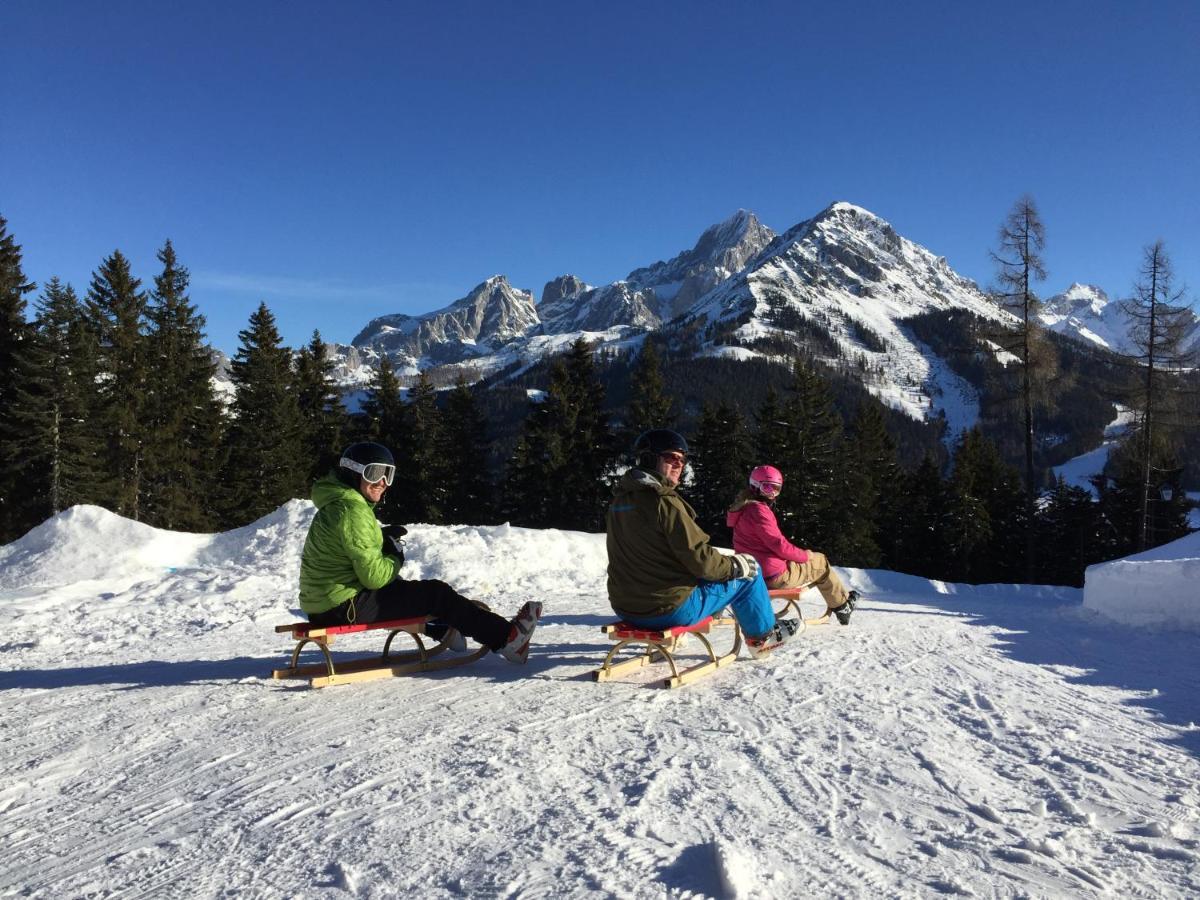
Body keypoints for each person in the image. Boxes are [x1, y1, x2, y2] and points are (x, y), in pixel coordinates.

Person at [298, 442, 541, 663]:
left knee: (406, 591)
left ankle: (439, 628)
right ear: (353, 472)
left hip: (322, 606)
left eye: (388, 474)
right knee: (436, 594)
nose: (382, 482)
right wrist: (395, 556)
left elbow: (348, 549)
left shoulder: (336, 504)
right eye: (374, 473)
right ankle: (508, 639)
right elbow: (374, 578)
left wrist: (379, 539)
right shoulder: (353, 511)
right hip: (343, 608)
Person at [605, 429, 801, 659]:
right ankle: (763, 637)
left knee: (706, 574)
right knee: (750, 572)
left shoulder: (619, 502)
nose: (679, 464)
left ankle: (710, 614)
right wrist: (738, 566)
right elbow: (702, 561)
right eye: (671, 458)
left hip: (625, 606)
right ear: (650, 458)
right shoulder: (664, 503)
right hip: (668, 610)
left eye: (682, 459)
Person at [726, 465, 859, 625]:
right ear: (755, 486)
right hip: (774, 576)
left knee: (807, 561)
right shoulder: (759, 511)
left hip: (755, 572)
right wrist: (806, 555)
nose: (773, 493)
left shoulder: (743, 508)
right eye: (768, 488)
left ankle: (840, 601)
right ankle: (842, 605)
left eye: (777, 489)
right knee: (820, 562)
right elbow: (779, 545)